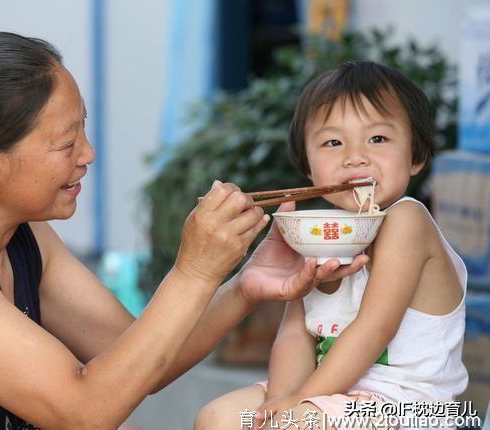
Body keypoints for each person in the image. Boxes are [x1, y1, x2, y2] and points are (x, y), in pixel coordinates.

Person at [0, 31, 366, 429]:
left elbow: (134, 357)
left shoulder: (19, 234)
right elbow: (85, 412)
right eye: (65, 143)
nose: (88, 155)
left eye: (84, 130)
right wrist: (192, 269)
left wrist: (243, 286)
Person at [194, 61, 468, 430]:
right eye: (333, 142)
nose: (355, 156)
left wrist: (298, 403)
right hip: (330, 396)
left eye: (378, 139)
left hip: (407, 404)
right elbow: (295, 333)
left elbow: (375, 326)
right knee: (218, 419)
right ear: (308, 166)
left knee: (292, 424)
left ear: (415, 155)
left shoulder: (407, 220)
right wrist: (280, 398)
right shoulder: (319, 232)